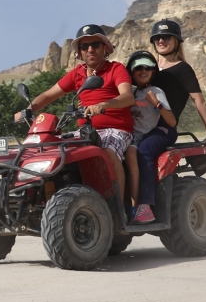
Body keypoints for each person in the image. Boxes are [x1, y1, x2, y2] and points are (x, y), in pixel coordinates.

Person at [14, 24, 134, 201]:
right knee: (47, 149)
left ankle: (119, 207)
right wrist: (28, 110)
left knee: (108, 151)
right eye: (84, 46)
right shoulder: (77, 73)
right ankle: (47, 200)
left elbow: (127, 97)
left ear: (105, 48)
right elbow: (48, 95)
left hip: (115, 129)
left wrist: (103, 105)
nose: (90, 49)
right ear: (79, 51)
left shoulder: (116, 69)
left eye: (95, 44)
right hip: (85, 131)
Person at [134, 19, 206, 213]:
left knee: (144, 151)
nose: (161, 40)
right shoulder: (148, 68)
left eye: (166, 37)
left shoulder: (182, 69)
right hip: (141, 125)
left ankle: (145, 205)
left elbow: (199, 100)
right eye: (157, 37)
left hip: (163, 128)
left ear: (176, 41)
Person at [123, 50, 176, 224]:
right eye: (138, 68)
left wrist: (157, 104)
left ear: (153, 71)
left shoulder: (156, 91)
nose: (143, 71)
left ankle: (144, 206)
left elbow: (171, 121)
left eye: (148, 67)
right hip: (131, 135)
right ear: (132, 72)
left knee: (142, 153)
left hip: (146, 135)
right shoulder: (130, 92)